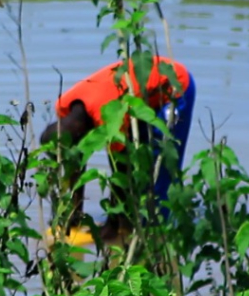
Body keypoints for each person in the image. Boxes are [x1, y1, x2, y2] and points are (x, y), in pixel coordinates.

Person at [40, 55, 196, 243]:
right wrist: (74, 217)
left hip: (174, 87)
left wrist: (112, 227)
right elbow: (76, 161)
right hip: (135, 95)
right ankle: (131, 225)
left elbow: (120, 170)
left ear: (81, 135)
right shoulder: (64, 107)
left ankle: (156, 236)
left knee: (158, 167)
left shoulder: (108, 119)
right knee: (140, 161)